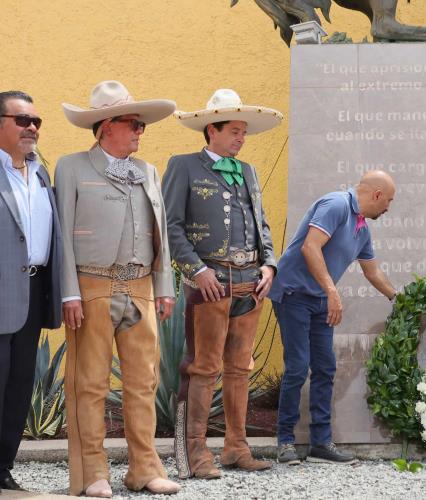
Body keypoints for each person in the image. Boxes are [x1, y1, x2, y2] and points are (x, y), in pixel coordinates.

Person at [55, 81, 180, 497]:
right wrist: (68, 292)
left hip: (141, 286)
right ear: (106, 126)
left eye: (141, 124)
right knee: (88, 383)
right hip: (91, 285)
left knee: (143, 381)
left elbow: (158, 229)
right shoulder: (71, 167)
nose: (141, 131)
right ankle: (92, 474)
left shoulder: (149, 171)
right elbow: (61, 237)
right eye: (133, 123)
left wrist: (164, 286)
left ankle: (145, 468)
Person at [163, 89, 282, 479]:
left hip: (252, 283)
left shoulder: (247, 170)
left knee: (239, 369)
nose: (241, 138)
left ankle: (236, 447)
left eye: (244, 131)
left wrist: (270, 266)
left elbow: (261, 221)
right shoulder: (183, 166)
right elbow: (171, 225)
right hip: (210, 283)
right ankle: (194, 452)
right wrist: (196, 269)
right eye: (234, 130)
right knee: (203, 367)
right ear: (211, 130)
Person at [269, 171, 397, 465]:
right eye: (388, 200)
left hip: (318, 300)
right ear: (377, 195)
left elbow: (372, 271)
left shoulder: (362, 228)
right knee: (298, 366)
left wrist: (397, 298)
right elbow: (309, 246)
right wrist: (332, 291)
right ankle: (285, 441)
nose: (389, 207)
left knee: (326, 367)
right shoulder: (336, 205)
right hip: (293, 294)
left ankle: (320, 444)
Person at [0, 91, 62, 491]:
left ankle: (3, 468)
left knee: (20, 386)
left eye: (36, 121)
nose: (33, 128)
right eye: (24, 120)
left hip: (32, 292)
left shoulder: (41, 173)